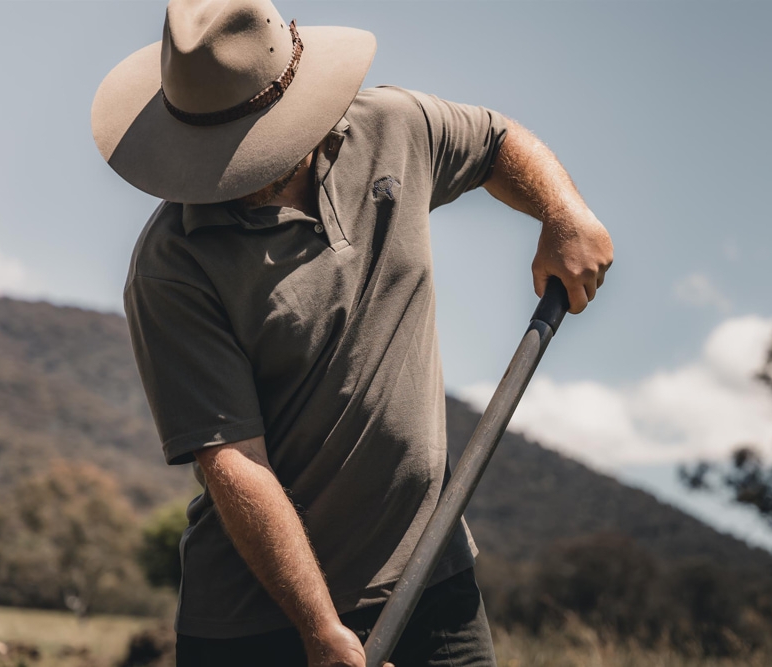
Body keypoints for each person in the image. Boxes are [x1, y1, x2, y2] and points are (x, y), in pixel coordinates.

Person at [92, 0, 613, 665]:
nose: (229, 170)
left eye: (246, 145)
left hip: (431, 575)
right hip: (258, 625)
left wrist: (564, 212)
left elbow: (494, 142)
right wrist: (318, 627)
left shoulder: (394, 126)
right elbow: (233, 461)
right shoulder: (172, 265)